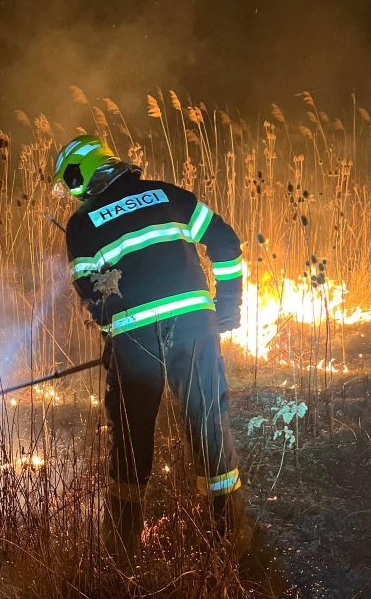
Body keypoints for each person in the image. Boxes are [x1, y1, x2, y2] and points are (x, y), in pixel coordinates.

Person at [53, 134, 250, 561]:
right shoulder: (167, 194)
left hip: (135, 339)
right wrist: (228, 306)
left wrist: (113, 334)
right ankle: (229, 534)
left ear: (80, 174)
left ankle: (122, 549)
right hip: (195, 326)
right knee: (208, 423)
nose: (72, 194)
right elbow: (226, 242)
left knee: (130, 435)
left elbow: (92, 291)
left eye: (70, 184)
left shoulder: (83, 225)